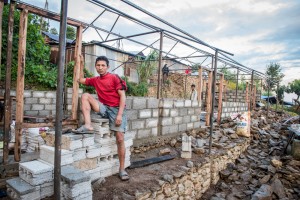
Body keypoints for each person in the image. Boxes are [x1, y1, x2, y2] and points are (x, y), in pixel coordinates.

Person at [74, 56, 129, 181]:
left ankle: (122, 169)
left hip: (116, 109)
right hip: (104, 108)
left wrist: (119, 115)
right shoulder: (95, 80)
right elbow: (79, 79)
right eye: (98, 65)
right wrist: (81, 63)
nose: (100, 67)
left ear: (107, 67)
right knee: (86, 96)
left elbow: (123, 97)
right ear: (95, 67)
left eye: (103, 65)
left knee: (120, 138)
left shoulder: (114, 78)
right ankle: (88, 125)